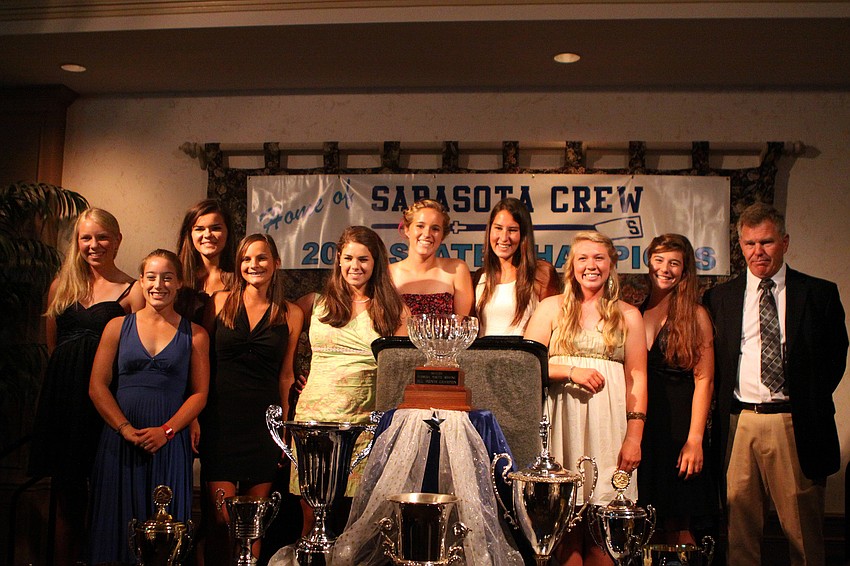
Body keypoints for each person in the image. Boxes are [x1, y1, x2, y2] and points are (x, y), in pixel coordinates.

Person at [704, 203, 847, 566]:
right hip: (740, 423)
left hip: (794, 422)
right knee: (740, 534)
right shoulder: (719, 297)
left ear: (784, 242)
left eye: (766, 242)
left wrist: (806, 400)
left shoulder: (818, 293)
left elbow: (835, 357)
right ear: (740, 246)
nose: (758, 251)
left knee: (803, 536)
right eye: (750, 243)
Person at [28, 208, 145, 565]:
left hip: (106, 402)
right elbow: (54, 347)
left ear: (117, 240)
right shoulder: (60, 286)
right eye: (86, 238)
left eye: (102, 237)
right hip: (63, 400)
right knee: (66, 495)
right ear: (77, 242)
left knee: (106, 494)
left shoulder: (134, 290)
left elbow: (137, 353)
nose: (94, 245)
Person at [524, 231, 647, 566]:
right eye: (583, 258)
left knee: (602, 533)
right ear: (572, 266)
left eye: (599, 258)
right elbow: (526, 365)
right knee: (565, 533)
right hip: (562, 428)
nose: (591, 265)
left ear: (611, 264)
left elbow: (637, 378)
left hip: (609, 432)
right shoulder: (551, 308)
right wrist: (570, 371)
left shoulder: (629, 315)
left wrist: (634, 438)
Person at [87, 249, 210, 565]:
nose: (159, 285)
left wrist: (166, 431)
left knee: (164, 537)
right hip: (120, 440)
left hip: (168, 442)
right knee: (116, 526)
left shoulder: (196, 335)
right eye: (151, 277)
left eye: (167, 277)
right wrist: (125, 429)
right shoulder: (116, 327)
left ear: (179, 282)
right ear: (141, 281)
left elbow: (199, 394)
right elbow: (97, 385)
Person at [292, 226, 407, 536]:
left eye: (363, 259)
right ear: (339, 261)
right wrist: (294, 375)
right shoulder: (313, 303)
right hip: (313, 419)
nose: (355, 266)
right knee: (311, 517)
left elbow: (400, 371)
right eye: (348, 258)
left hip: (361, 425)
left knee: (353, 518)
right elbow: (276, 339)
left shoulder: (394, 310)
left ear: (376, 263)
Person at [200, 234, 303, 565]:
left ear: (276, 263)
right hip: (220, 419)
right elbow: (201, 363)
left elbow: (286, 375)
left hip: (263, 423)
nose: (253, 265)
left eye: (261, 258)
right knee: (221, 519)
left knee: (253, 524)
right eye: (246, 259)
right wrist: (195, 417)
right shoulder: (218, 302)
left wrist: (283, 429)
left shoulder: (290, 313)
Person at [637, 234, 716, 544]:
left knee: (680, 524)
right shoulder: (635, 312)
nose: (665, 268)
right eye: (659, 260)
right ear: (648, 263)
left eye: (674, 263)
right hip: (645, 431)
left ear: (685, 270)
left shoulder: (696, 315)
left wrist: (694, 440)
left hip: (681, 432)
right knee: (648, 525)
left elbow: (704, 380)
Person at [473, 197, 561, 336]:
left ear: (523, 234)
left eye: (512, 230)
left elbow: (554, 327)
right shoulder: (480, 276)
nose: (504, 237)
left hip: (525, 350)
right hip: (482, 350)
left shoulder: (541, 273)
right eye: (498, 228)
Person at [390, 199, 474, 316]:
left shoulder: (457, 269)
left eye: (435, 229)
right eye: (420, 226)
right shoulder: (388, 273)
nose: (427, 234)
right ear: (407, 230)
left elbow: (463, 323)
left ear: (442, 235)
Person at [175, 198, 236, 322]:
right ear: (190, 234)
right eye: (199, 229)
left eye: (216, 228)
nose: (207, 235)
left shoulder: (241, 279)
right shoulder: (175, 276)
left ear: (228, 232)